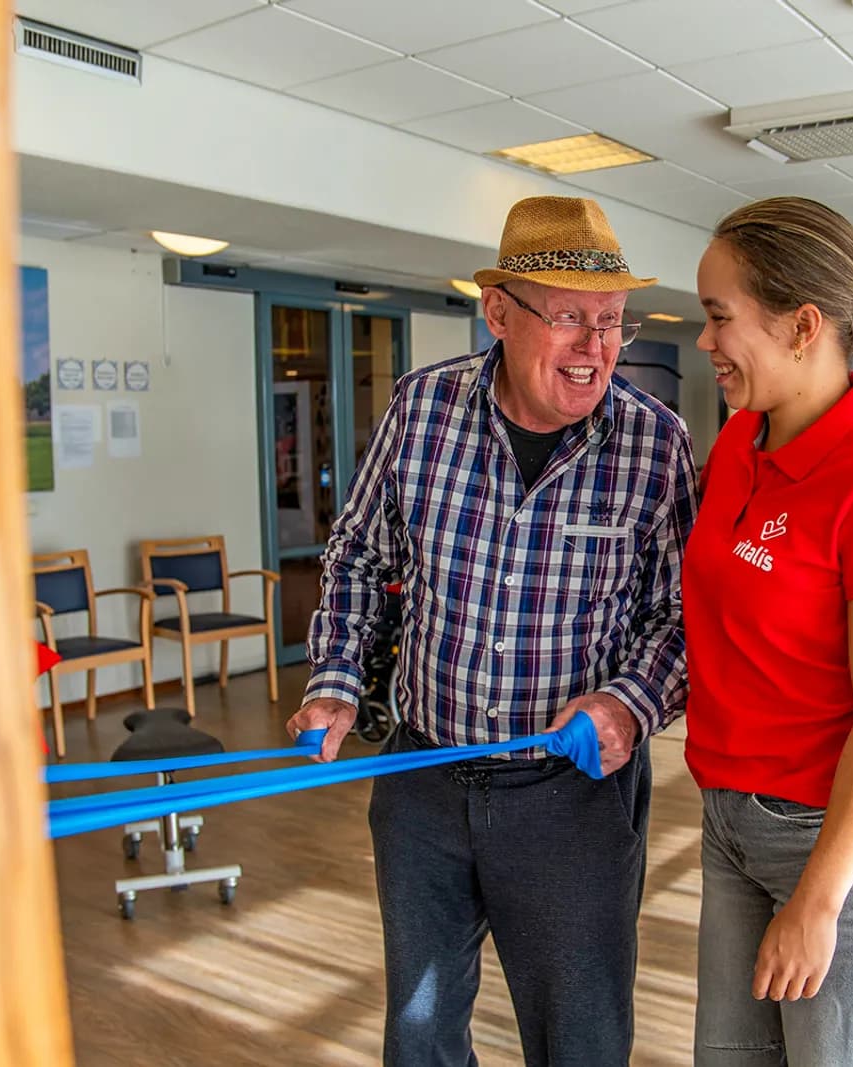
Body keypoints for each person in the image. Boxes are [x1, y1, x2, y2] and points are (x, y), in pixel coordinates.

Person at [287, 195, 698, 1067]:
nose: (597, 349)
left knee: (579, 1041)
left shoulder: (656, 444)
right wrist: (335, 677)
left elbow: (683, 616)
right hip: (422, 781)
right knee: (421, 1033)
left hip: (570, 798)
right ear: (499, 312)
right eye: (571, 319)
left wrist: (626, 707)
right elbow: (359, 553)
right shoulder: (421, 408)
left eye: (613, 322)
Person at [684, 196, 853, 1066]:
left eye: (718, 317)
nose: (705, 342)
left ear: (802, 325)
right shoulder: (738, 445)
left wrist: (819, 899)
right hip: (732, 816)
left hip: (847, 840)